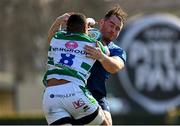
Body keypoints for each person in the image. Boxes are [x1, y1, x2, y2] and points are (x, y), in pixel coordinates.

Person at [42, 13, 109, 125]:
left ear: (67, 27)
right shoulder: (93, 44)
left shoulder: (56, 38)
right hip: (74, 91)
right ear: (85, 29)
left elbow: (52, 35)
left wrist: (58, 20)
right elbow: (107, 52)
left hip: (50, 96)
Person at [84, 5, 127, 125]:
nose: (113, 30)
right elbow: (56, 42)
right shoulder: (85, 36)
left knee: (108, 123)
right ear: (102, 22)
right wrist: (58, 22)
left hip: (97, 95)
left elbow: (116, 66)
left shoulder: (116, 50)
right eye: (111, 25)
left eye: (117, 28)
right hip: (76, 91)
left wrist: (101, 57)